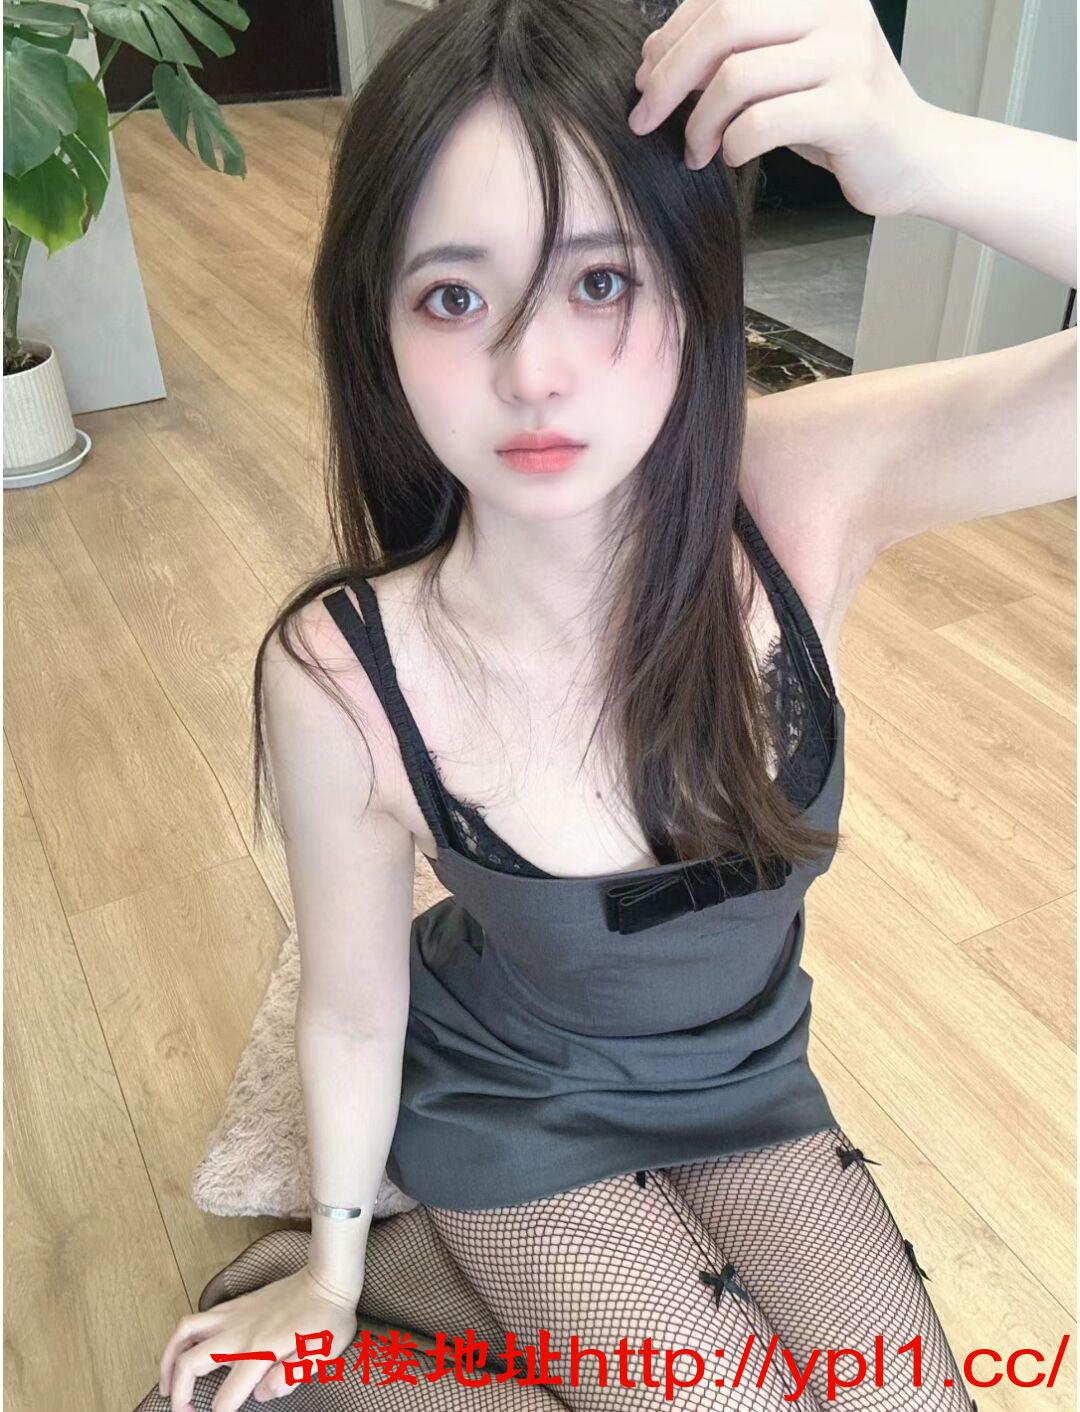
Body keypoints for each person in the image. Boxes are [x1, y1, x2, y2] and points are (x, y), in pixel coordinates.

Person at [138, 0, 1076, 1408]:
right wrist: (324, 1280)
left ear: (694, 283)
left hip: (748, 1087)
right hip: (513, 1106)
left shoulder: (798, 489)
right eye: (455, 298)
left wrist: (925, 153)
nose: (534, 373)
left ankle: (441, 1281)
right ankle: (395, 1278)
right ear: (376, 327)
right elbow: (350, 1005)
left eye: (598, 281)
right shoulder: (345, 670)